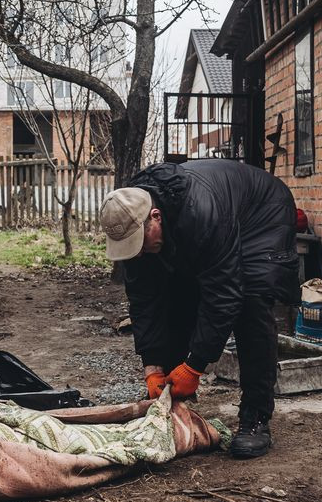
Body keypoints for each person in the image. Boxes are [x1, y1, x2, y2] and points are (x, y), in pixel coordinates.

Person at [98, 159, 300, 458]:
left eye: (139, 241)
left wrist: (195, 365)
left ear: (155, 217)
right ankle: (172, 409)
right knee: (177, 296)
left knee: (250, 305)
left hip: (261, 215)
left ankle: (255, 418)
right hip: (213, 222)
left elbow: (224, 295)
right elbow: (145, 302)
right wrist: (153, 367)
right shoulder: (133, 222)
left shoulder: (201, 214)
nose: (137, 250)